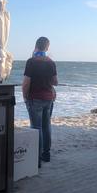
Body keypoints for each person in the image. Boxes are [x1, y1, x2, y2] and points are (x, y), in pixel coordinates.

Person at [22, 37, 58, 165]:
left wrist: (25, 97)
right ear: (47, 47)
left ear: (36, 46)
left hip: (35, 98)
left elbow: (26, 83)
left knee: (36, 128)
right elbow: (55, 82)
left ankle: (36, 159)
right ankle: (46, 154)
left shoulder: (31, 62)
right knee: (46, 126)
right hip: (48, 98)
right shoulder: (51, 62)